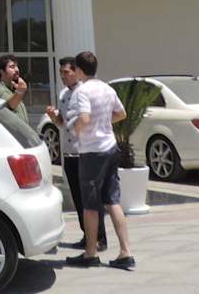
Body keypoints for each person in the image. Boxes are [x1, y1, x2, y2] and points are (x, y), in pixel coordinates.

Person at [66, 50, 134, 271]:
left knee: (90, 204)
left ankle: (90, 253)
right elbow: (121, 113)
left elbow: (84, 117)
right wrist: (103, 123)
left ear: (79, 70)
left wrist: (76, 129)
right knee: (112, 200)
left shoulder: (81, 91)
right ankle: (126, 252)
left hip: (91, 152)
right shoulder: (107, 88)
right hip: (110, 148)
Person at [45, 57, 108, 252]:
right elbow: (62, 123)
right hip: (69, 152)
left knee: (91, 198)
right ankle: (87, 235)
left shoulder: (86, 91)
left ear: (76, 71)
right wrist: (54, 117)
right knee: (78, 198)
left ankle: (100, 238)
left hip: (85, 151)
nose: (63, 76)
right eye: (61, 73)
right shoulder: (63, 94)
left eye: (66, 72)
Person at [0, 54, 30, 133]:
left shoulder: (13, 90)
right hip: (11, 136)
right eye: (12, 67)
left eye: (17, 66)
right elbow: (11, 105)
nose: (17, 69)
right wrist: (20, 91)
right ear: (2, 71)